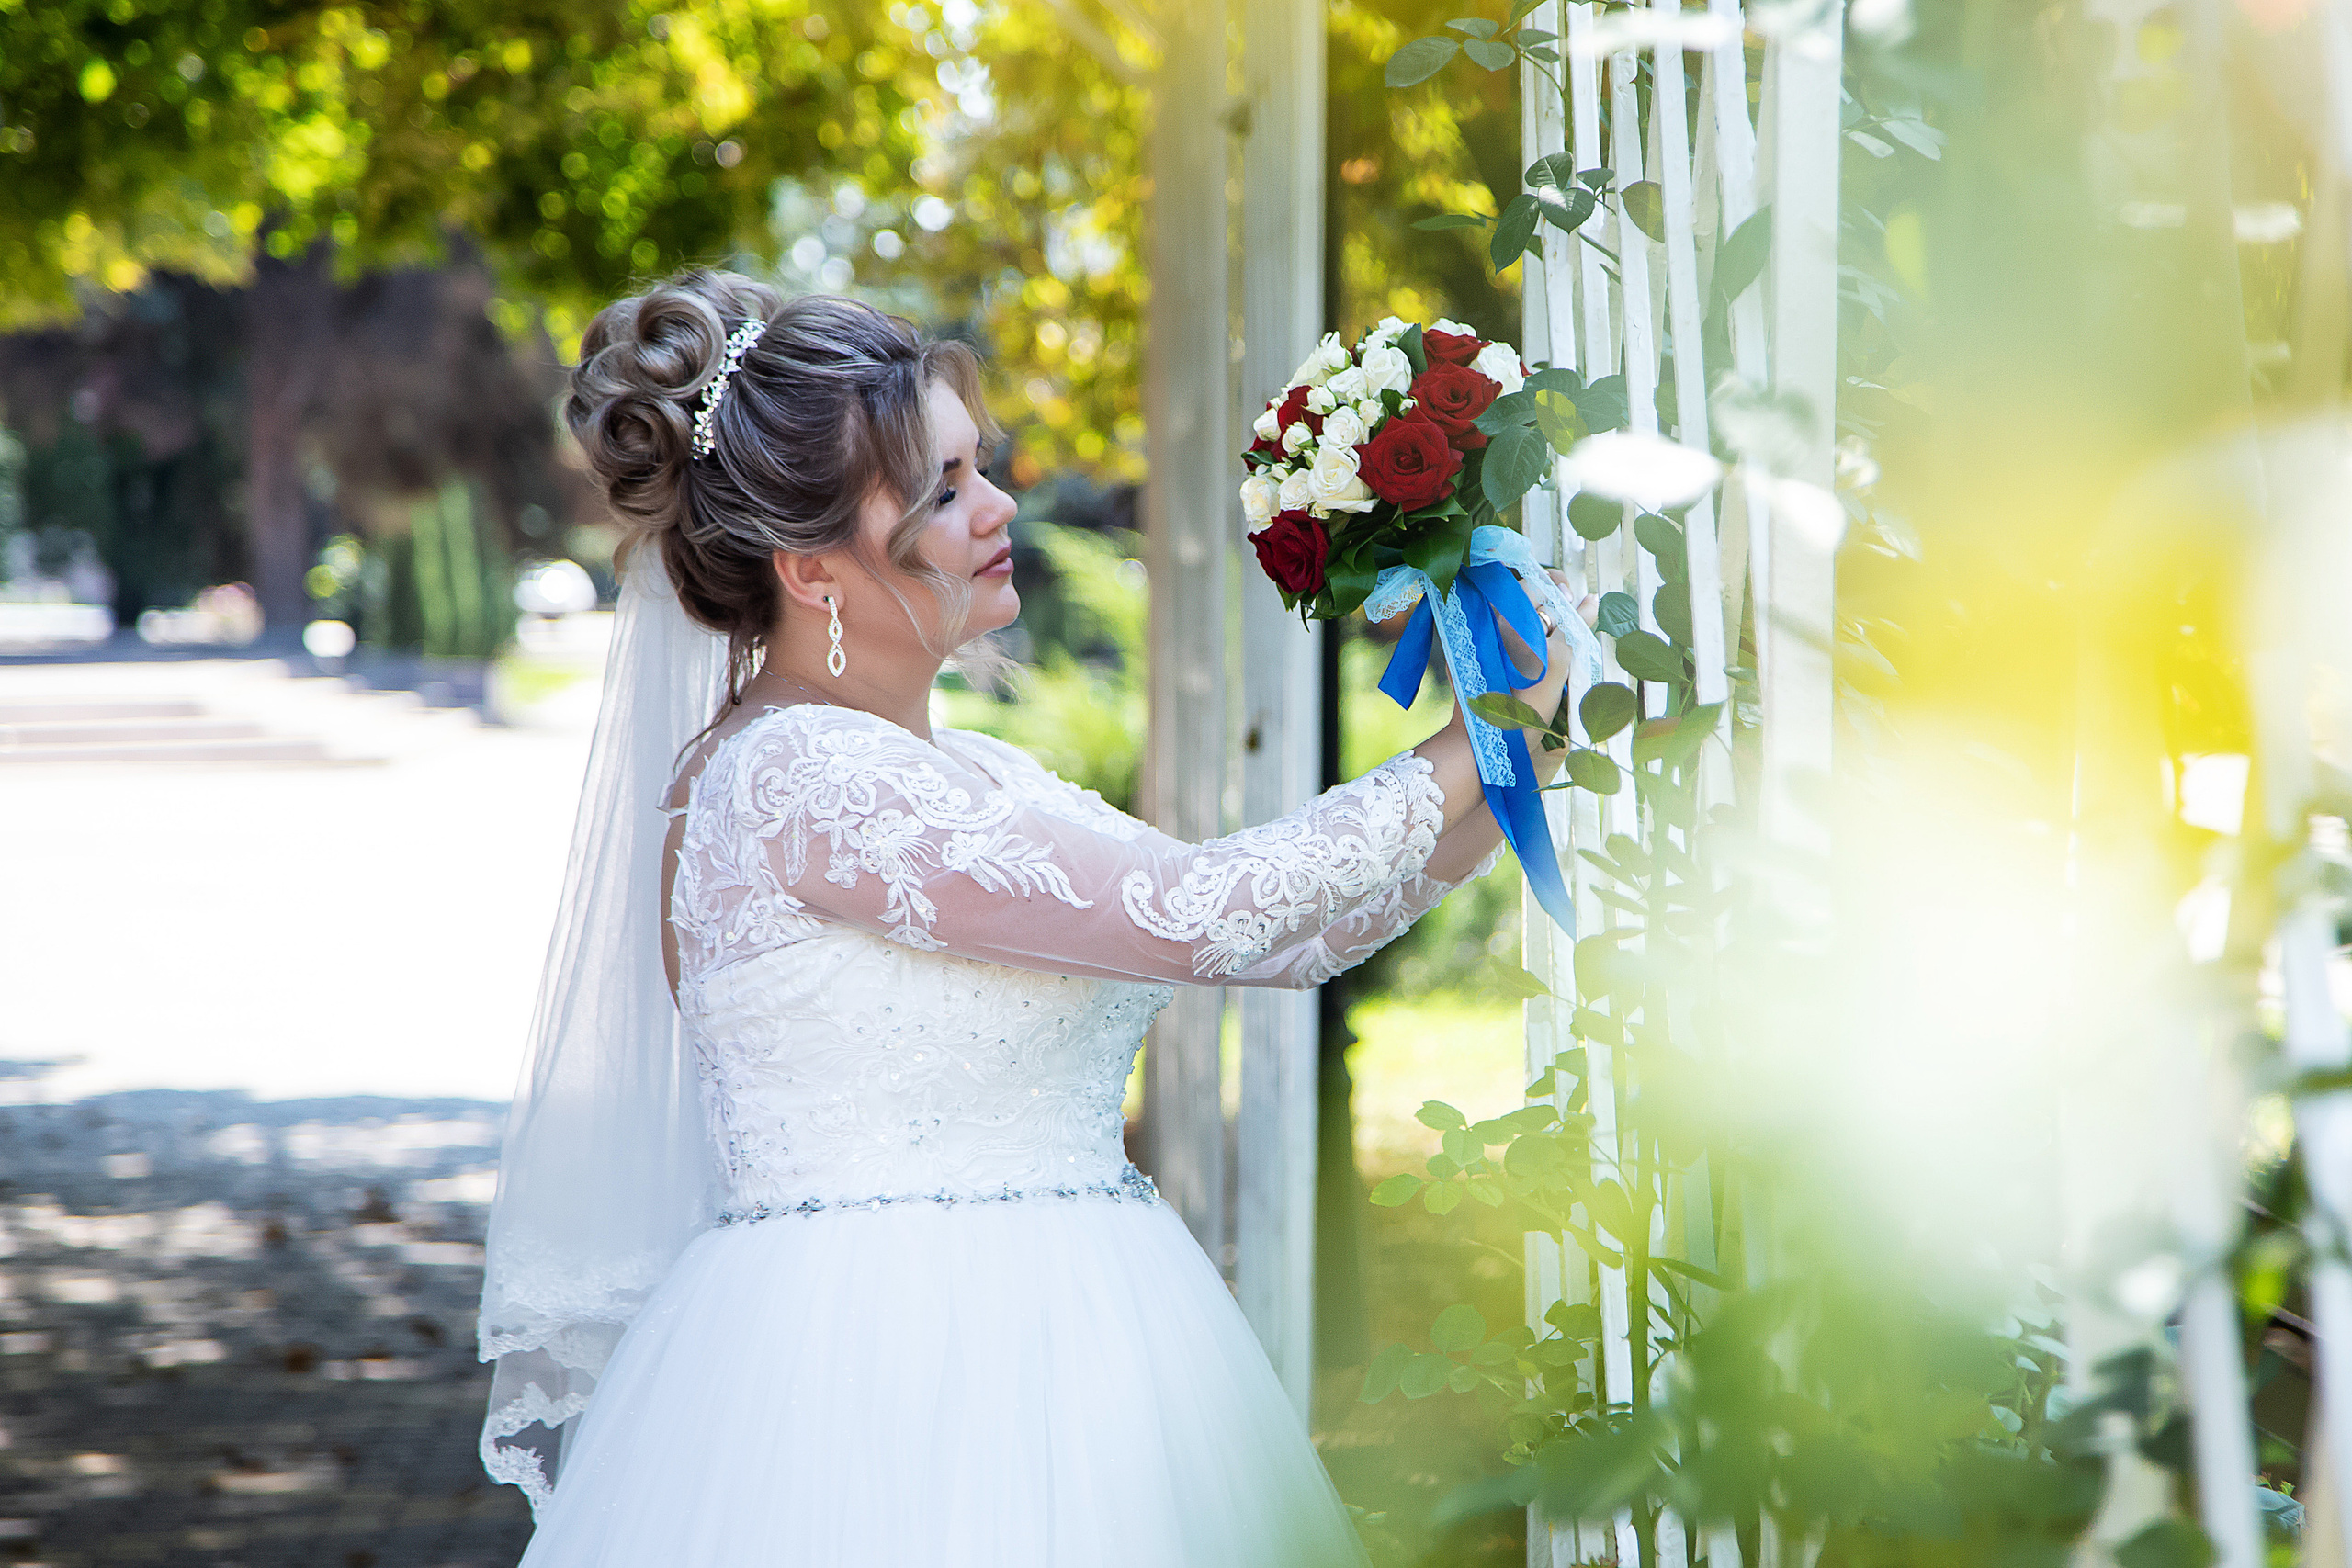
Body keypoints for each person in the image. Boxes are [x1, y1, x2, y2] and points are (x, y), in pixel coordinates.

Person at [477, 269, 1589, 1566]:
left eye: (979, 467)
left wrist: (1518, 750)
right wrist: (1481, 731)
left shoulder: (970, 773)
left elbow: (1286, 942)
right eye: (944, 489)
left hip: (1086, 1337)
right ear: (810, 567)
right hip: (889, 1375)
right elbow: (1197, 912)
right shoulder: (799, 779)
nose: (999, 506)